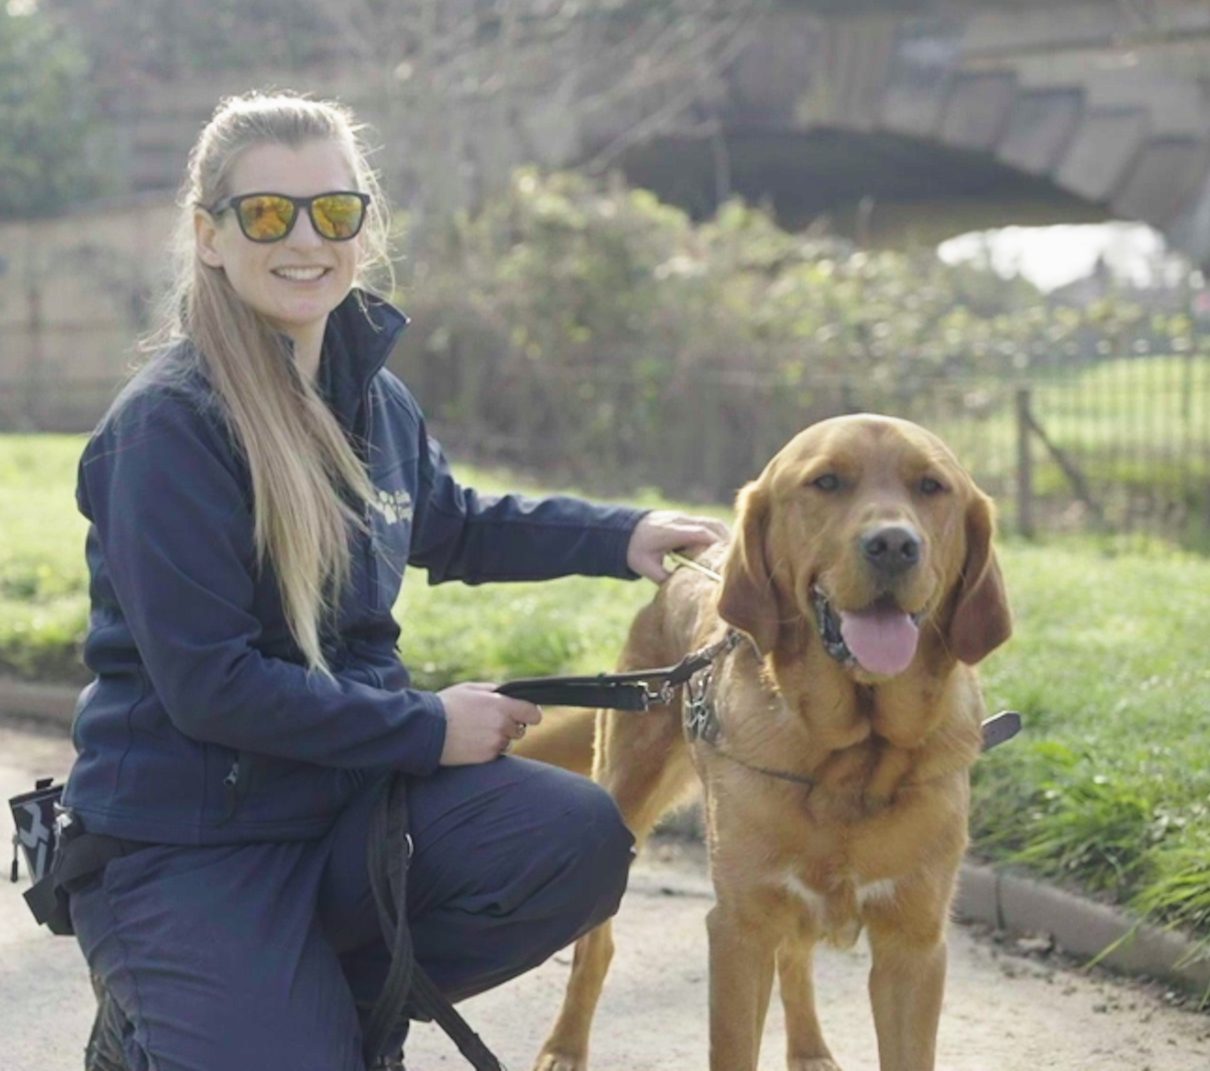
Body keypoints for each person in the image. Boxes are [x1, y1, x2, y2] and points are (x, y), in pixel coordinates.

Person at [61, 91, 727, 1071]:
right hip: (191, 841)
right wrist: (427, 728)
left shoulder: (373, 398)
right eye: (266, 214)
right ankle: (176, 1015)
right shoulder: (168, 428)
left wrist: (622, 535)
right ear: (209, 235)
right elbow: (212, 687)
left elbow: (451, 523)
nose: (304, 238)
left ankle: (309, 1005)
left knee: (576, 837)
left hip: (344, 808)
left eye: (332, 212)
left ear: (362, 232)